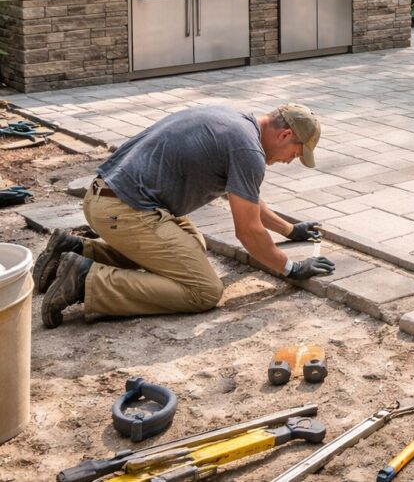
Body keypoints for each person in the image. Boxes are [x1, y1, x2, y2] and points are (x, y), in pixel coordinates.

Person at [34, 103, 336, 328]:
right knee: (203, 291)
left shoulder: (235, 123)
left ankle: (74, 251)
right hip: (123, 210)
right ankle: (86, 280)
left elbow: (248, 198)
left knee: (193, 245)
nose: (288, 161)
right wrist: (291, 268)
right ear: (285, 135)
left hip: (107, 197)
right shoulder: (248, 151)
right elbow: (247, 232)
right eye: (295, 154)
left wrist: (288, 230)